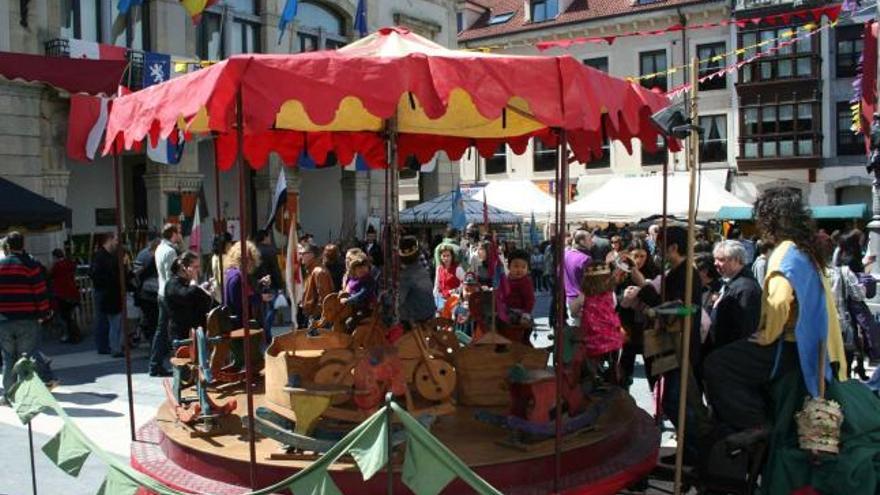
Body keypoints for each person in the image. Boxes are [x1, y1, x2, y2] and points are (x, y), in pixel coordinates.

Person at [703, 188, 848, 439]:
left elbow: (780, 300)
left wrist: (768, 335)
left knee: (717, 364)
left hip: (791, 345)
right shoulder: (805, 249)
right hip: (813, 345)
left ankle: (755, 422)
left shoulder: (784, 253)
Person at [0, 232, 52, 400]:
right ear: (24, 245)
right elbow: (40, 291)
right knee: (26, 358)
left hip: (4, 320)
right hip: (27, 318)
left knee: (8, 359)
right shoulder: (31, 265)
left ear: (7, 246)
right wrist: (43, 313)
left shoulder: (0, 265)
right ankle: (26, 396)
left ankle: (9, 396)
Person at [617, 238, 659, 389]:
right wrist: (624, 296)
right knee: (624, 368)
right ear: (629, 255)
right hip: (628, 325)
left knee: (652, 370)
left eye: (642, 256)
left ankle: (656, 406)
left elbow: (658, 298)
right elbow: (614, 298)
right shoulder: (621, 272)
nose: (639, 260)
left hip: (648, 326)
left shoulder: (654, 271)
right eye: (636, 256)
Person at [707, 240, 762, 353]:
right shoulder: (733, 283)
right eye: (715, 259)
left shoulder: (746, 288)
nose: (715, 263)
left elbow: (744, 329)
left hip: (731, 354)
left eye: (721, 259)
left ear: (736, 260)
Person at [148, 224, 180, 377]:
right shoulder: (170, 251)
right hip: (169, 294)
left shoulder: (160, 248)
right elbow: (173, 275)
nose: (180, 234)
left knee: (161, 331)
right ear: (173, 234)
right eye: (178, 232)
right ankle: (179, 364)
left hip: (161, 292)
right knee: (174, 330)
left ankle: (154, 364)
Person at [164, 252, 214, 341]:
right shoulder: (173, 284)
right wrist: (194, 284)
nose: (198, 270)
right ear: (185, 268)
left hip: (197, 333)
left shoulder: (188, 283)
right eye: (195, 267)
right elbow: (186, 296)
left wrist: (203, 289)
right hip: (182, 335)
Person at [90, 232, 125, 358]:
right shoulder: (100, 256)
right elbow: (95, 274)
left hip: (110, 292)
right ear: (109, 240)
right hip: (104, 292)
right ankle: (105, 346)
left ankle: (108, 346)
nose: (117, 242)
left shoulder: (110, 255)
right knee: (104, 320)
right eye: (115, 239)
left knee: (109, 321)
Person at [398, 236, 436, 326]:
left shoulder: (406, 275)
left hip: (415, 319)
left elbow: (400, 299)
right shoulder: (423, 269)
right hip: (430, 313)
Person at [222, 240, 261, 325]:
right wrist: (260, 298)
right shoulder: (237, 277)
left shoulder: (234, 273)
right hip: (239, 326)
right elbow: (238, 304)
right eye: (249, 259)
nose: (251, 263)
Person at [254, 230, 283, 342]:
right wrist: (280, 285)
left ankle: (263, 331)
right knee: (272, 308)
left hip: (257, 283)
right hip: (271, 283)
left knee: (261, 310)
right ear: (265, 237)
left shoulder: (254, 250)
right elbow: (275, 270)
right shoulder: (270, 250)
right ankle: (266, 331)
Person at [50, 248, 80, 344]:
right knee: (69, 316)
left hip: (62, 294)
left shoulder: (57, 266)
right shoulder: (70, 263)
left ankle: (70, 335)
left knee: (64, 316)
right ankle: (74, 334)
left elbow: (50, 275)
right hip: (73, 292)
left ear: (55, 257)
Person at [133, 238, 160, 346]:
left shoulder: (142, 254)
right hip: (152, 294)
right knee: (155, 322)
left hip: (145, 294)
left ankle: (153, 344)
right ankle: (155, 346)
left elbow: (136, 274)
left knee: (150, 321)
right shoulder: (153, 258)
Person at [563, 230, 593, 326]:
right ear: (582, 241)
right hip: (582, 302)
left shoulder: (565, 254)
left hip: (569, 299)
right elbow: (592, 282)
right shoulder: (585, 259)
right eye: (589, 239)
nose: (592, 242)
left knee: (575, 335)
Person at [300, 244, 334, 324]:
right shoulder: (312, 271)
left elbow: (324, 298)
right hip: (312, 316)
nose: (301, 256)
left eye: (303, 253)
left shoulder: (319, 272)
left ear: (311, 255)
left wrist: (315, 316)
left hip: (317, 318)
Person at [504, 249, 535, 330]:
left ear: (528, 268)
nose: (520, 270)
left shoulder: (526, 282)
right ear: (509, 266)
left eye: (523, 267)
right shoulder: (506, 279)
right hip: (506, 309)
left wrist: (526, 314)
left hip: (520, 313)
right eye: (516, 266)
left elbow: (530, 299)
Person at [433, 244, 464, 311]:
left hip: (454, 301)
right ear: (440, 257)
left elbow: (464, 283)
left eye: (448, 256)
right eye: (444, 256)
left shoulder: (458, 269)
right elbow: (436, 285)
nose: (446, 258)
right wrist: (435, 299)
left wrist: (455, 290)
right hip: (441, 301)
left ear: (452, 256)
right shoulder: (439, 268)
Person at [210, 233, 231, 303]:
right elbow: (222, 278)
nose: (231, 246)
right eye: (229, 243)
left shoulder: (214, 256)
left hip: (217, 292)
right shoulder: (224, 258)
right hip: (223, 293)